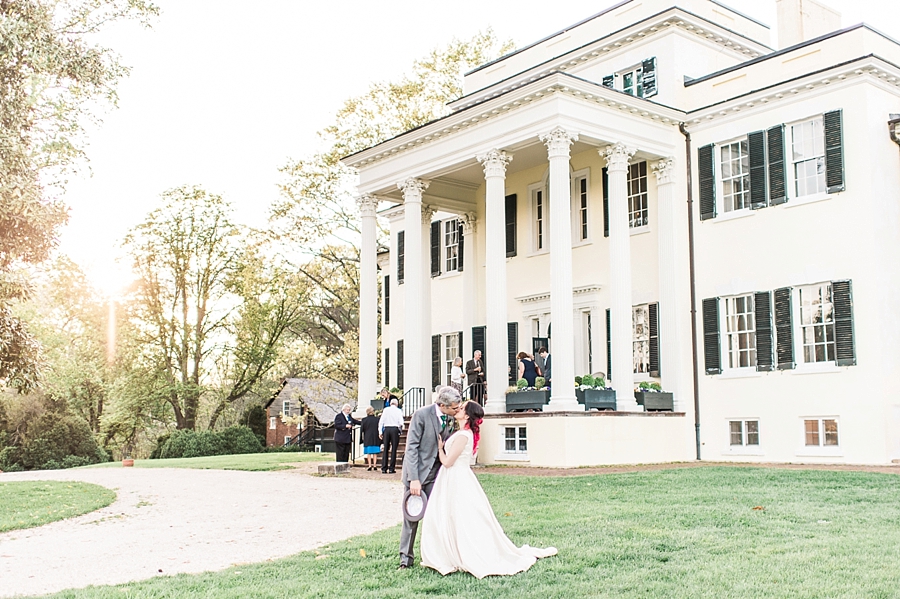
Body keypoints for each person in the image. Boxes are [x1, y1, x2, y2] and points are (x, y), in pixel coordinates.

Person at [420, 401, 557, 578]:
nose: (458, 409)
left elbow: (447, 462)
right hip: (454, 477)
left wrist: (440, 449)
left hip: (456, 478)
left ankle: (462, 552)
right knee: (454, 514)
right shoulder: (462, 433)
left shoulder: (463, 436)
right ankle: (451, 550)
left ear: (467, 415)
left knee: (459, 515)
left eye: (461, 408)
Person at [398, 386, 462, 569]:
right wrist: (414, 479)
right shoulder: (421, 415)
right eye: (454, 408)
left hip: (439, 474)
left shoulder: (451, 418)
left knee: (438, 516)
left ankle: (437, 557)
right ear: (442, 405)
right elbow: (411, 448)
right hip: (418, 474)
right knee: (411, 518)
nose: (457, 411)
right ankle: (405, 559)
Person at [379, 397, 404, 474]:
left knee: (386, 448)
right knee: (394, 449)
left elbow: (381, 421)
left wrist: (380, 432)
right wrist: (401, 428)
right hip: (394, 429)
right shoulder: (398, 411)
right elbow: (401, 422)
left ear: (390, 403)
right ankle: (391, 468)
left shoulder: (386, 410)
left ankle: (384, 468)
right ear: (396, 404)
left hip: (386, 429)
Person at [360, 406, 381, 471]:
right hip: (375, 436)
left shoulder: (364, 420)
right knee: (375, 453)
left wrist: (361, 439)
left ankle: (369, 465)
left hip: (367, 437)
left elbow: (362, 430)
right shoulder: (377, 419)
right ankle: (375, 465)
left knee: (369, 453)